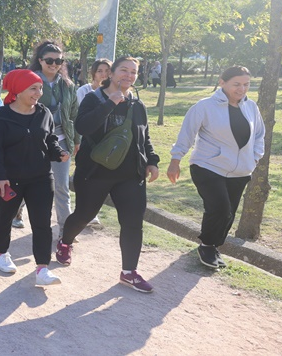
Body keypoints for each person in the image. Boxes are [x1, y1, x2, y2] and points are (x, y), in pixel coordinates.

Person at [57, 57, 160, 293]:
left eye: (133, 72)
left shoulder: (137, 104)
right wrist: (109, 105)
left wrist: (152, 162)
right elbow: (82, 128)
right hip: (95, 172)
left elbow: (144, 138)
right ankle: (65, 241)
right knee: (84, 215)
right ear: (111, 74)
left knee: (133, 222)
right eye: (124, 70)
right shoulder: (94, 99)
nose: (129, 75)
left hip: (130, 175)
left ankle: (129, 272)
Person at [167, 66, 264, 269]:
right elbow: (187, 134)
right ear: (222, 82)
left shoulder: (251, 107)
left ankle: (214, 246)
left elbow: (259, 136)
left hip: (240, 171)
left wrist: (254, 159)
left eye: (246, 84)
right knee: (219, 208)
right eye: (236, 84)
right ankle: (206, 245)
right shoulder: (205, 106)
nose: (242, 89)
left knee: (228, 213)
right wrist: (176, 160)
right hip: (208, 166)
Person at [0, 69, 69, 285]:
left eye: (40, 88)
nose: (39, 93)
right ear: (18, 90)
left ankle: (42, 269)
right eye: (33, 88)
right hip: (8, 179)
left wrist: (58, 152)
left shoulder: (44, 113)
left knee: (41, 223)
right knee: (5, 216)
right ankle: (1, 254)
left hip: (40, 177)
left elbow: (49, 139)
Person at [13, 41, 80, 231]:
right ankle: (16, 210)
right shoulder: (29, 81)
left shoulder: (68, 85)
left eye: (58, 60)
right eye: (49, 59)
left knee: (61, 187)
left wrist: (76, 140)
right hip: (32, 140)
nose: (54, 64)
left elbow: (74, 114)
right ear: (40, 60)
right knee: (26, 180)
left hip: (61, 139)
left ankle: (65, 231)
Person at [74, 58, 112, 227]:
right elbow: (78, 117)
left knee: (100, 179)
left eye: (107, 71)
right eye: (100, 71)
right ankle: (81, 213)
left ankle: (92, 213)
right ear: (93, 73)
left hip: (106, 144)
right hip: (85, 141)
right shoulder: (85, 91)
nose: (103, 74)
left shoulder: (116, 91)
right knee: (84, 178)